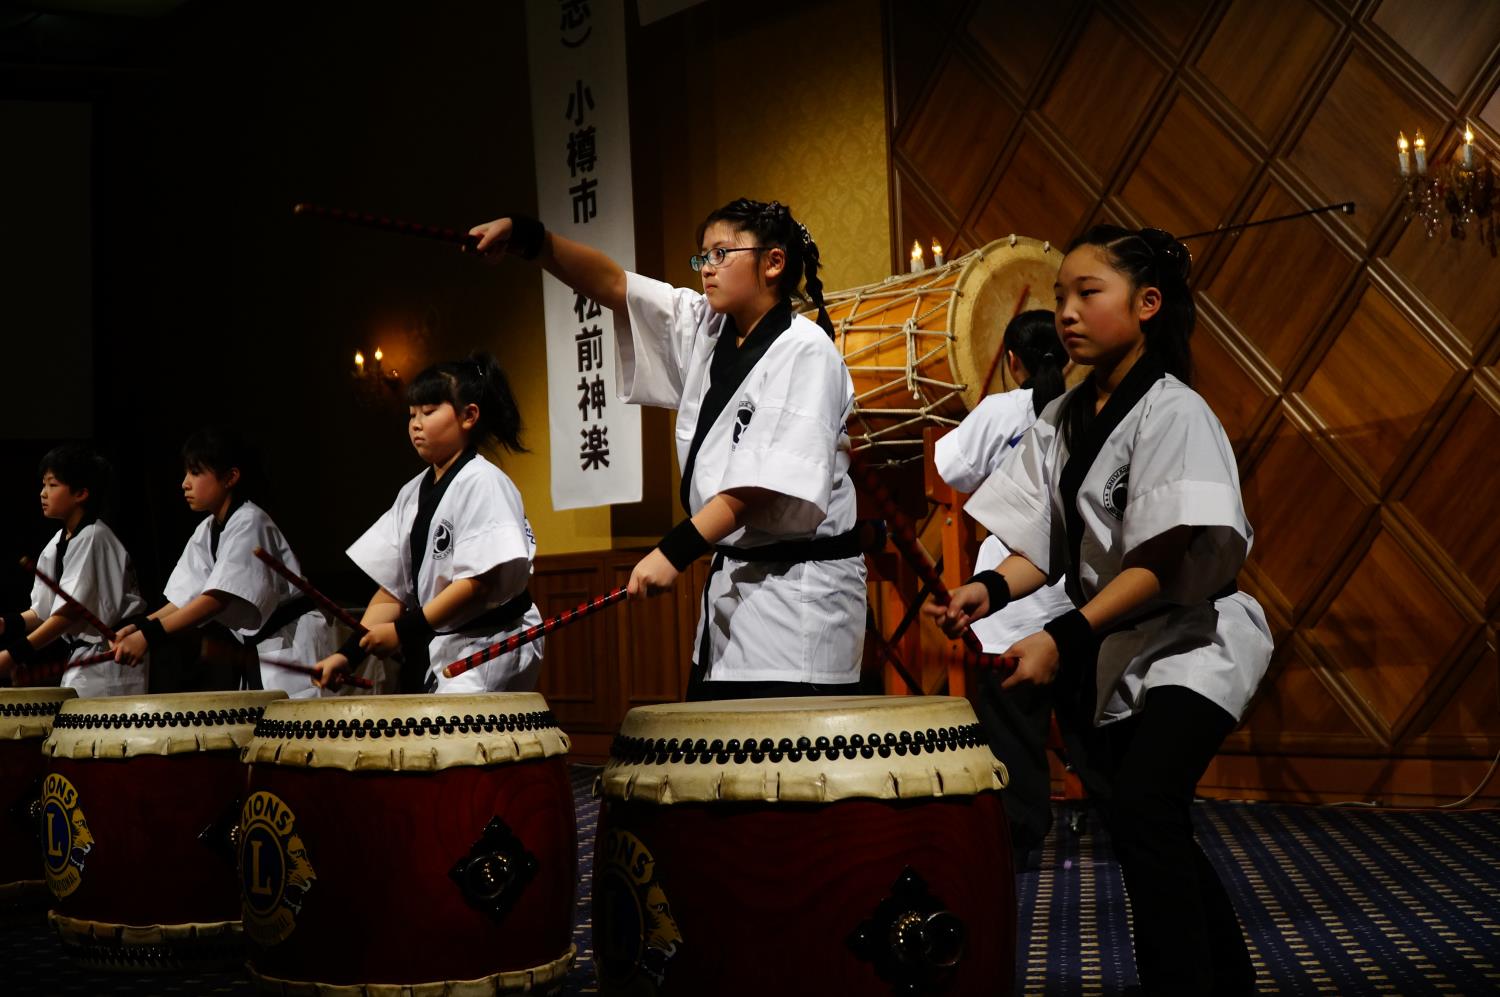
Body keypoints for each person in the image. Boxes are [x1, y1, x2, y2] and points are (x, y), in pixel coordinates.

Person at [927, 225, 1271, 996]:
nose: (1068, 313)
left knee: (1148, 807)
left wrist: (1062, 635)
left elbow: (1161, 562)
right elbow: (1037, 543)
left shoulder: (1174, 411)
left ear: (1148, 305)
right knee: (1151, 826)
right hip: (1116, 646)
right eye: (1060, 298)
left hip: (1196, 638)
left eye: (1089, 293)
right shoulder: (1062, 417)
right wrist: (989, 589)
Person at [469, 198, 866, 700]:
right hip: (733, 593)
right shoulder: (708, 326)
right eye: (702, 258)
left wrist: (675, 550)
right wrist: (531, 239)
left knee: (785, 770)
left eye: (722, 254)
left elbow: (764, 485)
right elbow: (616, 286)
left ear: (773, 261)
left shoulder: (805, 349)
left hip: (801, 601)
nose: (707, 269)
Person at [933, 309, 1076, 862]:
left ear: (1011, 361)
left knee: (1013, 727)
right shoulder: (1086, 408)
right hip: (1075, 595)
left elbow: (948, 470)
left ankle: (1020, 832)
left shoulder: (1000, 409)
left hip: (1010, 592)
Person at [313, 353, 542, 694]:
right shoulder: (411, 493)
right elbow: (393, 590)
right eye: (411, 414)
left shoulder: (483, 482)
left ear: (469, 416)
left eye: (429, 411)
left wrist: (403, 632)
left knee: (458, 742)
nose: (415, 424)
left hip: (492, 642)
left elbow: (476, 584)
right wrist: (348, 655)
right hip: (445, 641)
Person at [113, 427, 337, 697]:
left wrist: (149, 636)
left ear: (230, 477)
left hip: (293, 640)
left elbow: (217, 599)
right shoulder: (208, 530)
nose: (185, 483)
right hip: (264, 647)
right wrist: (142, 625)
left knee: (297, 730)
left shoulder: (250, 521)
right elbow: (186, 598)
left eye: (195, 473)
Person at [0, 445, 148, 695]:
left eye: (52, 485)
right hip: (83, 657)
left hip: (109, 658)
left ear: (80, 493)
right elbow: (44, 612)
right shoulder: (57, 544)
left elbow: (68, 613)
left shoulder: (94, 537)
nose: (43, 493)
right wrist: (6, 624)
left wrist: (13, 654)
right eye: (43, 485)